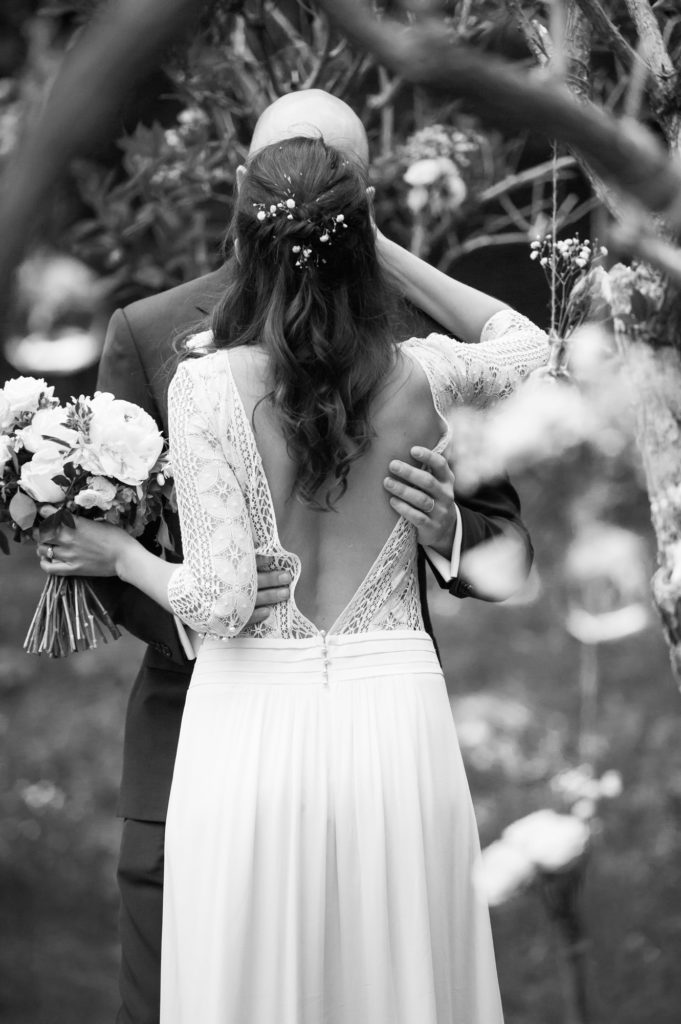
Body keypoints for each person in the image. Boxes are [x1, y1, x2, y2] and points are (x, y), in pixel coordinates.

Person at [39, 92, 538, 1024]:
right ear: (360, 214)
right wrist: (368, 241)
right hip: (383, 720)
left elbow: (221, 599)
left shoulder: (205, 386)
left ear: (244, 207)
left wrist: (117, 554)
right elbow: (530, 349)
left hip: (249, 725)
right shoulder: (424, 365)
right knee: (400, 983)